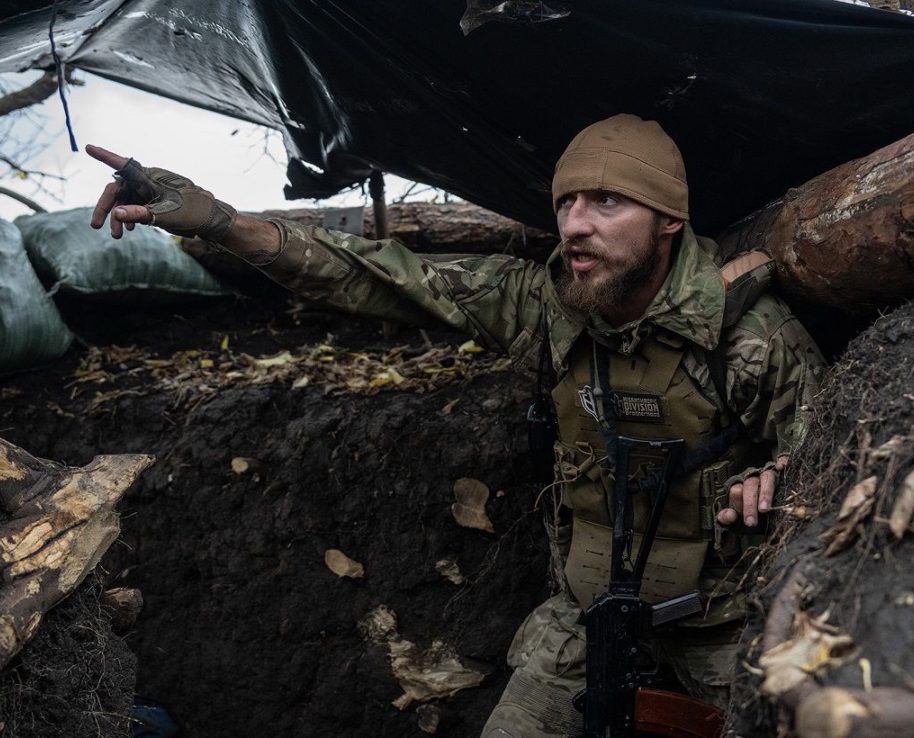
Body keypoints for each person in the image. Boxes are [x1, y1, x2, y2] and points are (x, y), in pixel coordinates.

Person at [89, 113, 825, 737]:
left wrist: (778, 480)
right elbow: (368, 273)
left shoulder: (749, 338)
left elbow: (839, 474)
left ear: (669, 221)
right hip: (586, 618)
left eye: (606, 202)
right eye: (567, 202)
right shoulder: (544, 307)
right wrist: (218, 220)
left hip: (727, 624)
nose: (575, 224)